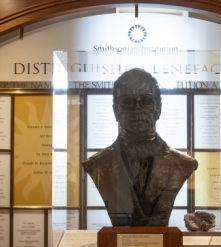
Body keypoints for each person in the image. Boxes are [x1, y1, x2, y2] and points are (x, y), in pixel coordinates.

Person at [82, 68, 198, 226]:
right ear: (116, 111)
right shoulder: (97, 164)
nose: (137, 109)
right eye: (127, 102)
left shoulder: (182, 164)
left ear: (158, 108)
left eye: (145, 101)